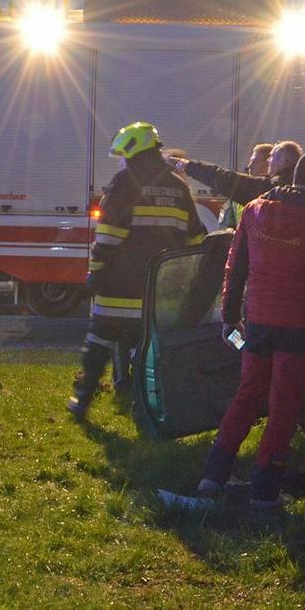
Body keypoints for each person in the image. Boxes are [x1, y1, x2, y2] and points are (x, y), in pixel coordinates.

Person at [193, 149, 305, 508]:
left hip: (256, 322)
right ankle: (264, 491)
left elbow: (235, 266)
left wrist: (231, 317)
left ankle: (211, 478)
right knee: (283, 408)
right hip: (297, 328)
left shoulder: (255, 209)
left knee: (246, 397)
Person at [67, 121, 206, 419]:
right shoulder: (179, 187)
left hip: (118, 287)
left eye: (123, 155)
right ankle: (146, 409)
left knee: (99, 343)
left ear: (134, 150)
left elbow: (107, 236)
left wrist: (95, 271)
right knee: (147, 352)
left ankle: (83, 400)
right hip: (158, 291)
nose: (121, 161)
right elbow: (196, 237)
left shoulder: (125, 183)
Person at [173, 140, 303, 228]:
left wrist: (188, 166)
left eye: (272, 156)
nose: (269, 160)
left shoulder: (272, 189)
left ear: (283, 161)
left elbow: (226, 179)